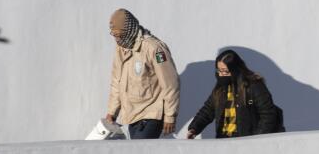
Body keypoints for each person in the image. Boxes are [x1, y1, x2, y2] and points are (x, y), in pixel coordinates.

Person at [104, 9, 180, 139]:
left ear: (129, 30)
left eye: (119, 35)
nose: (117, 39)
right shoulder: (121, 48)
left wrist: (170, 115)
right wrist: (112, 112)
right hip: (132, 115)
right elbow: (117, 82)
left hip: (151, 114)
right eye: (114, 35)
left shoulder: (154, 48)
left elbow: (170, 83)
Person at [185, 50, 281, 139]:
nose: (221, 74)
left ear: (235, 69)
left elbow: (268, 114)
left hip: (246, 141)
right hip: (223, 139)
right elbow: (207, 110)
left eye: (225, 71)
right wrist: (194, 128)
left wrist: (255, 139)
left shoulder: (253, 85)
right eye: (219, 70)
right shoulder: (220, 87)